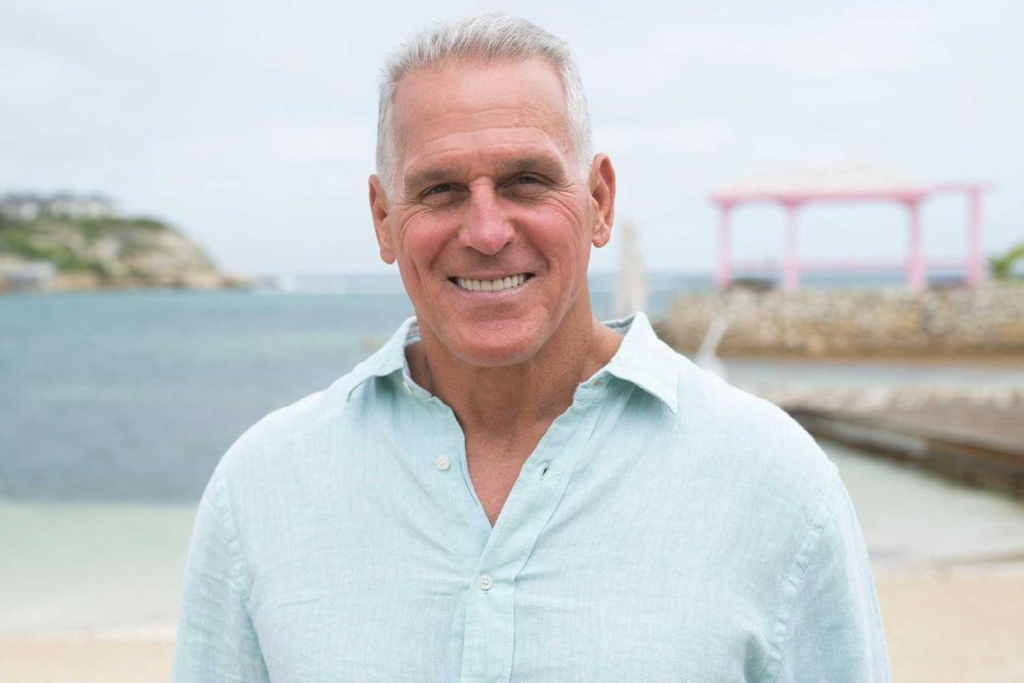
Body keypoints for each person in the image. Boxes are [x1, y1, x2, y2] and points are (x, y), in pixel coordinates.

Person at [173, 12, 891, 681]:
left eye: (526, 181)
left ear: (599, 202)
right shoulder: (261, 492)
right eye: (441, 189)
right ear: (384, 219)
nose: (487, 232)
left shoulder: (775, 484)